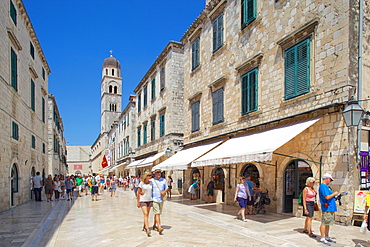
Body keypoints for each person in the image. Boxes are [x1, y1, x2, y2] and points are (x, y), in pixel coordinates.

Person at [319, 173, 339, 245]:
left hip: (331, 207)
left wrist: (336, 196)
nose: (330, 181)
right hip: (327, 207)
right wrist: (334, 194)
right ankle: (322, 238)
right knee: (324, 223)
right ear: (327, 179)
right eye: (330, 180)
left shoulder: (327, 187)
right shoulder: (323, 186)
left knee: (328, 223)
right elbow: (327, 196)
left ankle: (326, 236)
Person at [151, 169, 168, 235]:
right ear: (155, 173)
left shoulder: (163, 180)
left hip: (161, 199)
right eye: (157, 172)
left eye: (160, 172)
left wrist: (164, 191)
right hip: (154, 199)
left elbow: (166, 188)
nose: (159, 173)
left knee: (158, 213)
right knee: (157, 213)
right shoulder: (152, 181)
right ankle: (159, 227)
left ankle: (154, 225)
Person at [137, 172, 153, 237]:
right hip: (143, 200)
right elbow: (138, 192)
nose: (150, 176)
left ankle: (144, 226)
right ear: (145, 176)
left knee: (147, 215)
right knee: (145, 214)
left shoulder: (151, 183)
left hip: (149, 200)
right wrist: (138, 202)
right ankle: (147, 229)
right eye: (149, 175)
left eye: (151, 175)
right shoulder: (141, 183)